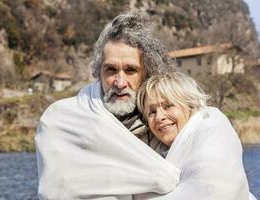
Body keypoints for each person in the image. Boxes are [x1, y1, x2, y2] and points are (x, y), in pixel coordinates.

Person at [35, 11, 180, 200]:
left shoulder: (164, 123)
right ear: (98, 70)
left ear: (146, 73)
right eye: (111, 70)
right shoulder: (62, 121)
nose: (120, 83)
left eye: (130, 70)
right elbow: (57, 189)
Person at [135, 72, 257, 200]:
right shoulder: (155, 153)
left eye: (168, 106)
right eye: (152, 112)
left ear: (190, 105)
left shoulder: (213, 139)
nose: (159, 117)